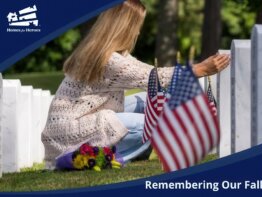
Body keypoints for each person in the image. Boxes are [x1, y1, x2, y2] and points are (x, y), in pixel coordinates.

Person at [41, 0, 230, 169]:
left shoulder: (105, 52)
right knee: (156, 122)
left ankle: (135, 150)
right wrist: (200, 69)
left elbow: (151, 78)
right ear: (125, 27)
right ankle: (107, 156)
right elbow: (156, 78)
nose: (138, 31)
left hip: (76, 123)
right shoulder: (109, 60)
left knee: (152, 100)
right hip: (68, 138)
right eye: (137, 26)